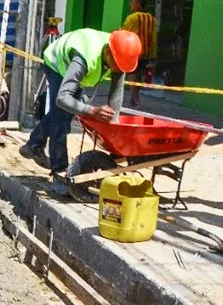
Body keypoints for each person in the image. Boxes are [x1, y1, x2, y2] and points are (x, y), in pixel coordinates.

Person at [18, 28, 141, 195]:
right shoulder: (83, 59)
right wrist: (91, 110)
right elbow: (62, 98)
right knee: (60, 120)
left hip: (76, 68)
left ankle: (34, 144)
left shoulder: (119, 55)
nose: (118, 70)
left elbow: (115, 98)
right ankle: (59, 174)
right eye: (116, 66)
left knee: (66, 112)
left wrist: (114, 137)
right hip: (57, 64)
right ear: (107, 53)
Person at [121, 0, 158, 107]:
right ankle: (135, 98)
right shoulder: (151, 19)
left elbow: (123, 32)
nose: (130, 4)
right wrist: (153, 52)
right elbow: (154, 36)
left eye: (132, 2)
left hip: (133, 51)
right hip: (146, 52)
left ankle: (135, 99)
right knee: (138, 75)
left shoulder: (132, 18)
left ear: (138, 4)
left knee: (133, 75)